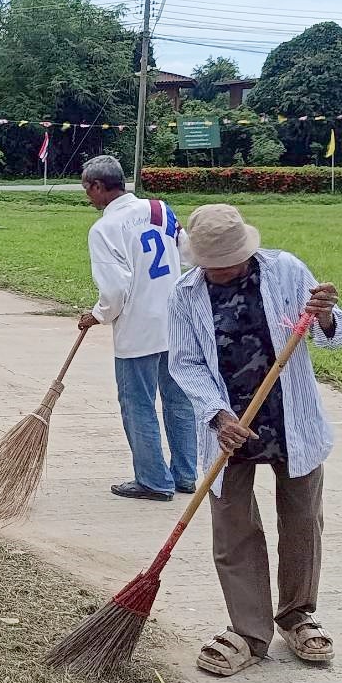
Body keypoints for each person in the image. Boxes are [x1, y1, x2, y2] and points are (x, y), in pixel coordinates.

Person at [168, 204, 342, 677]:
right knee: (233, 528)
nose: (219, 271)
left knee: (302, 520)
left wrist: (326, 317)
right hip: (229, 428)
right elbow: (185, 363)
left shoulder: (286, 270)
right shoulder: (185, 294)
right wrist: (218, 415)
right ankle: (249, 632)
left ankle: (297, 615)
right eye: (210, 265)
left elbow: (333, 336)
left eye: (228, 262)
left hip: (292, 420)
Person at [78, 154, 196, 501]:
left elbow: (115, 290)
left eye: (87, 189)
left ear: (98, 186)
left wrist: (98, 315)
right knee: (179, 400)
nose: (87, 196)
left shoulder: (105, 229)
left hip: (138, 328)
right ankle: (185, 475)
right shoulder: (159, 209)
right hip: (175, 321)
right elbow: (188, 254)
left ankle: (153, 480)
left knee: (138, 404)